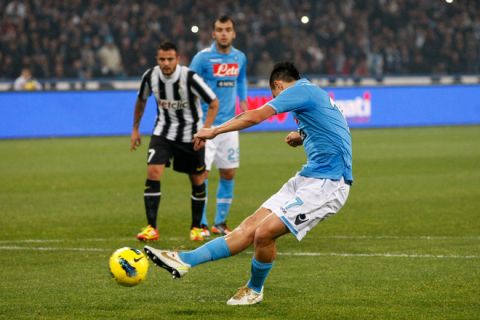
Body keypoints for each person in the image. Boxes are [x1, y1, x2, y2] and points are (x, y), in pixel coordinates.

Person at [144, 62, 353, 305]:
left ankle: (254, 290)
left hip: (329, 183)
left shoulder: (299, 90)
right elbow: (334, 128)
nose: (277, 100)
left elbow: (255, 116)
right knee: (248, 227)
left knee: (264, 234)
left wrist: (215, 130)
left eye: (275, 96)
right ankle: (183, 259)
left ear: (277, 85)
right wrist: (302, 135)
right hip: (307, 177)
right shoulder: (313, 94)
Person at [131, 41, 219, 242]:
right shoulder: (150, 76)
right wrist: (135, 129)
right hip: (163, 133)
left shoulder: (189, 78)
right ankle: (151, 227)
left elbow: (213, 102)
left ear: (177, 59)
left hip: (191, 136)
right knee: (153, 172)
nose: (166, 63)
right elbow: (141, 100)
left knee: (197, 180)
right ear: (157, 59)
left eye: (170, 59)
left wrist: (205, 131)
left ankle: (196, 227)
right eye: (162, 59)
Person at [189, 15, 248, 237]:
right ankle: (201, 224)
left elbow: (241, 79)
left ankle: (220, 223)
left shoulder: (239, 57)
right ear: (213, 34)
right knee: (201, 174)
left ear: (234, 33)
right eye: (220, 29)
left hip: (229, 125)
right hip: (205, 124)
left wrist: (243, 99)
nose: (224, 33)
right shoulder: (202, 59)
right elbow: (189, 82)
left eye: (228, 29)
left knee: (229, 172)